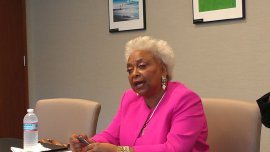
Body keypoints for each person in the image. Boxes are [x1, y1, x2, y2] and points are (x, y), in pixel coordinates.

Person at [69, 36, 209, 152]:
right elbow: (111, 135)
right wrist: (89, 143)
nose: (134, 74)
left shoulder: (185, 100)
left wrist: (119, 151)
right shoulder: (129, 98)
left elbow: (174, 149)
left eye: (142, 66)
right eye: (129, 70)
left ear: (163, 69)